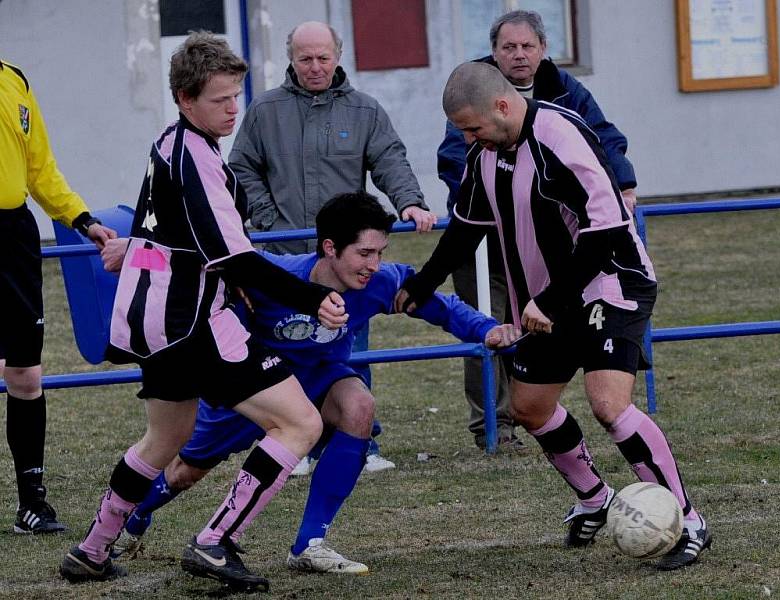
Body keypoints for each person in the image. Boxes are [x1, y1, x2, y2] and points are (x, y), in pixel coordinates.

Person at [58, 32, 347, 592]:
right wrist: (311, 297)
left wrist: (139, 247)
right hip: (191, 321)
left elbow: (165, 229)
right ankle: (215, 542)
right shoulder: (194, 156)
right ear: (185, 100)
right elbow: (234, 257)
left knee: (164, 441)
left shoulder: (169, 142)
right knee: (301, 421)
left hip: (157, 320)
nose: (233, 109)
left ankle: (92, 550)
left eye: (237, 96)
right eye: (220, 99)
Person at [396, 62, 711, 570]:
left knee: (609, 404)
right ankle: (595, 498)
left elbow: (606, 229)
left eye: (471, 128)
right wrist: (420, 285)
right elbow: (464, 230)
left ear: (502, 105)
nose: (467, 138)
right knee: (530, 408)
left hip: (610, 283)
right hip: (547, 299)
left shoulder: (561, 135)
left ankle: (688, 521)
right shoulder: (484, 155)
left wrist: (550, 300)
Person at [108, 191, 519, 574]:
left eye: (380, 253)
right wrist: (137, 249)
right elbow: (211, 275)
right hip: (254, 386)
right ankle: (134, 515)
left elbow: (439, 306)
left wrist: (485, 330)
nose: (373, 265)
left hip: (321, 380)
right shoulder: (276, 277)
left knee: (359, 406)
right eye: (364, 253)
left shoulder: (381, 283)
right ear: (329, 248)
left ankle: (309, 545)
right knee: (184, 472)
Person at [230, 20, 437, 470]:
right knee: (283, 347)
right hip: (286, 258)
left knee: (347, 346)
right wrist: (266, 218)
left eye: (323, 57)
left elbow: (389, 160)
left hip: (342, 261)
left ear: (338, 56)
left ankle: (359, 445)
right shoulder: (265, 111)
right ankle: (293, 441)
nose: (315, 67)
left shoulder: (364, 111)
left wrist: (410, 203)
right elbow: (241, 168)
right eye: (305, 58)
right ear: (291, 59)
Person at [437, 10, 638, 451]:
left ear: (542, 49)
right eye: (509, 47)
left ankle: (581, 408)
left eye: (527, 46)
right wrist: (495, 203)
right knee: (488, 323)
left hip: (557, 250)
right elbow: (458, 159)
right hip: (490, 239)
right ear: (495, 53)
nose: (519, 55)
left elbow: (602, 137)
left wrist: (622, 182)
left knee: (548, 317)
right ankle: (494, 421)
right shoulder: (476, 90)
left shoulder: (565, 91)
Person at [0, 59, 116, 534]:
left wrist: (82, 220)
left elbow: (40, 169)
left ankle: (32, 504)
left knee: (26, 374)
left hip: (12, 236)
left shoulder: (14, 78)